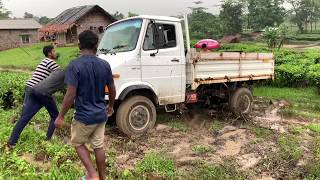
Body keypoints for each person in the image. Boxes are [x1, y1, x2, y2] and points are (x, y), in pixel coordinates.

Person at [54, 30, 116, 180]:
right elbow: (112, 89)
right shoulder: (104, 64)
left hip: (83, 117)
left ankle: (92, 174)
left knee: (77, 142)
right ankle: (102, 177)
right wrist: (110, 106)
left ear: (79, 45)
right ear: (96, 45)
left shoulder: (74, 66)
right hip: (101, 115)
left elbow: (70, 94)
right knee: (98, 146)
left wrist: (60, 116)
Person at [7, 45, 60, 148]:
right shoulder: (51, 62)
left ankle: (11, 142)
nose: (55, 53)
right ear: (49, 53)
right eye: (54, 51)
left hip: (30, 88)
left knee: (25, 117)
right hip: (39, 91)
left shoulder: (44, 61)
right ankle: (48, 140)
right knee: (55, 116)